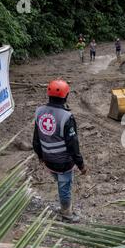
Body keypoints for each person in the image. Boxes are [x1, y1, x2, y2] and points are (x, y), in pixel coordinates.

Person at [33, 80, 87, 223]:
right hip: (63, 163)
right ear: (66, 96)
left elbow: (36, 139)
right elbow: (73, 145)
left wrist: (40, 156)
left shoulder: (39, 112)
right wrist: (81, 165)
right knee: (65, 186)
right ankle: (66, 214)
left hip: (47, 159)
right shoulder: (66, 117)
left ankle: (64, 206)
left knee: (59, 180)